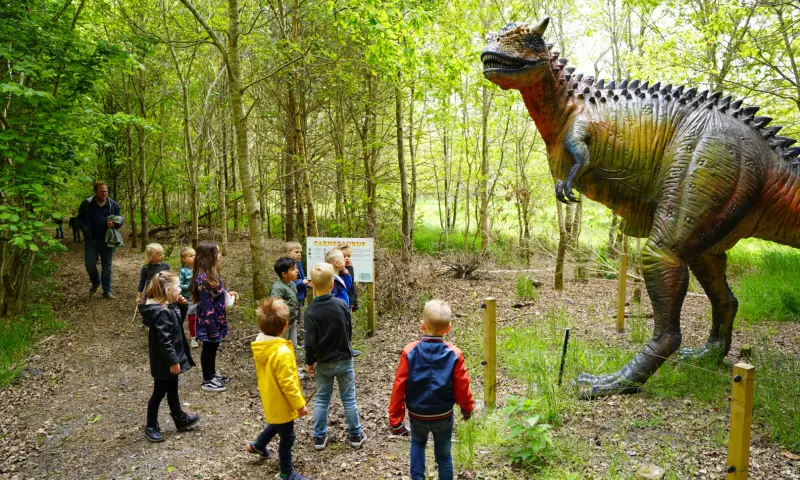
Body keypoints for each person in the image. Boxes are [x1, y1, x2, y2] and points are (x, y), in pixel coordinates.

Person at [388, 299, 474, 480]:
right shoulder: (454, 353)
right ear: (448, 328)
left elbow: (399, 386)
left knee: (418, 444)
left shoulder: (410, 351)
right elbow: (462, 386)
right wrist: (467, 409)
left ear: (423, 326)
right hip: (443, 413)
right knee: (443, 455)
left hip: (417, 413)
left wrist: (396, 420)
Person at [247, 298, 311, 480]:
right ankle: (286, 473)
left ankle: (258, 445)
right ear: (285, 326)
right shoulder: (281, 352)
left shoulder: (262, 344)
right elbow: (288, 384)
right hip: (282, 400)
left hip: (271, 397)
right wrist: (300, 405)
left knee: (277, 423)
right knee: (287, 436)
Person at [304, 262, 366, 450]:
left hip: (324, 361)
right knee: (349, 399)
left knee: (322, 399)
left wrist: (309, 361)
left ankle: (319, 437)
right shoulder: (341, 305)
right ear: (332, 284)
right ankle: (355, 435)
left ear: (312, 285)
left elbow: (309, 342)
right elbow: (348, 330)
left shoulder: (310, 311)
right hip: (344, 359)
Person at [138, 271, 201, 443]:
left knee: (172, 390)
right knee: (159, 392)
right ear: (167, 291)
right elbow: (164, 341)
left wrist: (182, 307)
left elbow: (176, 323)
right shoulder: (161, 312)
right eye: (178, 286)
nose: (181, 289)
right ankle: (150, 425)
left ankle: (179, 417)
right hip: (164, 360)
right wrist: (173, 361)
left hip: (170, 358)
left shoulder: (167, 306)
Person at [192, 241, 238, 392]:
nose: (220, 256)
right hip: (209, 321)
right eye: (217, 253)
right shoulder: (202, 279)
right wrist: (211, 327)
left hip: (218, 318)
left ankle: (212, 374)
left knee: (214, 346)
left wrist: (227, 293)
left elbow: (217, 292)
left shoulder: (213, 273)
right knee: (209, 347)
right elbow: (206, 305)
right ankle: (207, 380)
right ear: (208, 256)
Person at [76, 182, 123, 299]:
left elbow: (120, 219)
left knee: (107, 266)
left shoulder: (113, 205)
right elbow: (79, 219)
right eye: (101, 191)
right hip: (91, 240)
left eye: (106, 191)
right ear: (95, 192)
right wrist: (85, 229)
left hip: (107, 240)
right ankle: (96, 281)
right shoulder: (87, 204)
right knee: (90, 265)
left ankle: (107, 291)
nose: (104, 193)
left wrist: (115, 224)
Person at [270, 257, 300, 349]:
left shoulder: (292, 284)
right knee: (283, 347)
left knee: (292, 345)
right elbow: (275, 306)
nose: (297, 271)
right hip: (283, 324)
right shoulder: (277, 288)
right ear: (284, 274)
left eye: (296, 268)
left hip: (292, 320)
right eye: (293, 269)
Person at [179, 247, 198, 348]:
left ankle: (201, 335)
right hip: (189, 298)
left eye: (195, 255)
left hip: (200, 297)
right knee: (192, 319)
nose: (194, 257)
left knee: (201, 317)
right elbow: (180, 285)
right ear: (184, 259)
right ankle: (193, 338)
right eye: (191, 256)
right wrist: (189, 286)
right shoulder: (183, 271)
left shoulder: (200, 268)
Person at [338, 244, 358, 312]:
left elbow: (351, 285)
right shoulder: (336, 269)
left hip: (349, 300)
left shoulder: (350, 267)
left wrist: (354, 302)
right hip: (339, 300)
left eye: (348, 256)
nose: (347, 258)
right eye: (344, 256)